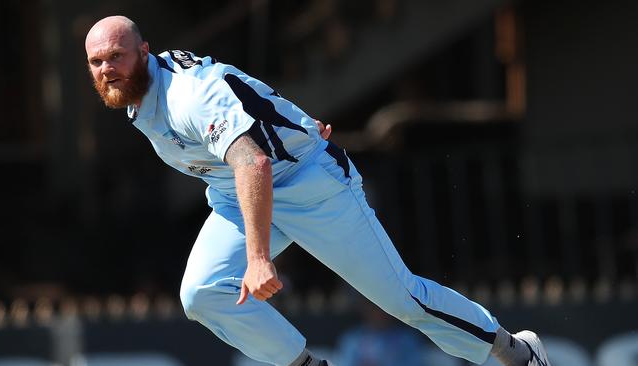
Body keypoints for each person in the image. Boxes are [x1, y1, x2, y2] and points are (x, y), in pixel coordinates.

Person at [84, 15, 551, 366]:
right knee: (201, 294)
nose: (107, 69)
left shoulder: (186, 95)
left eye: (117, 57)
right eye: (96, 62)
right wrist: (297, 122)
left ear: (145, 51)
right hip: (238, 192)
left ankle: (520, 354)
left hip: (308, 184)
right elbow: (249, 94)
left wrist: (259, 256)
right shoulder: (138, 97)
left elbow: (254, 161)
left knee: (403, 301)